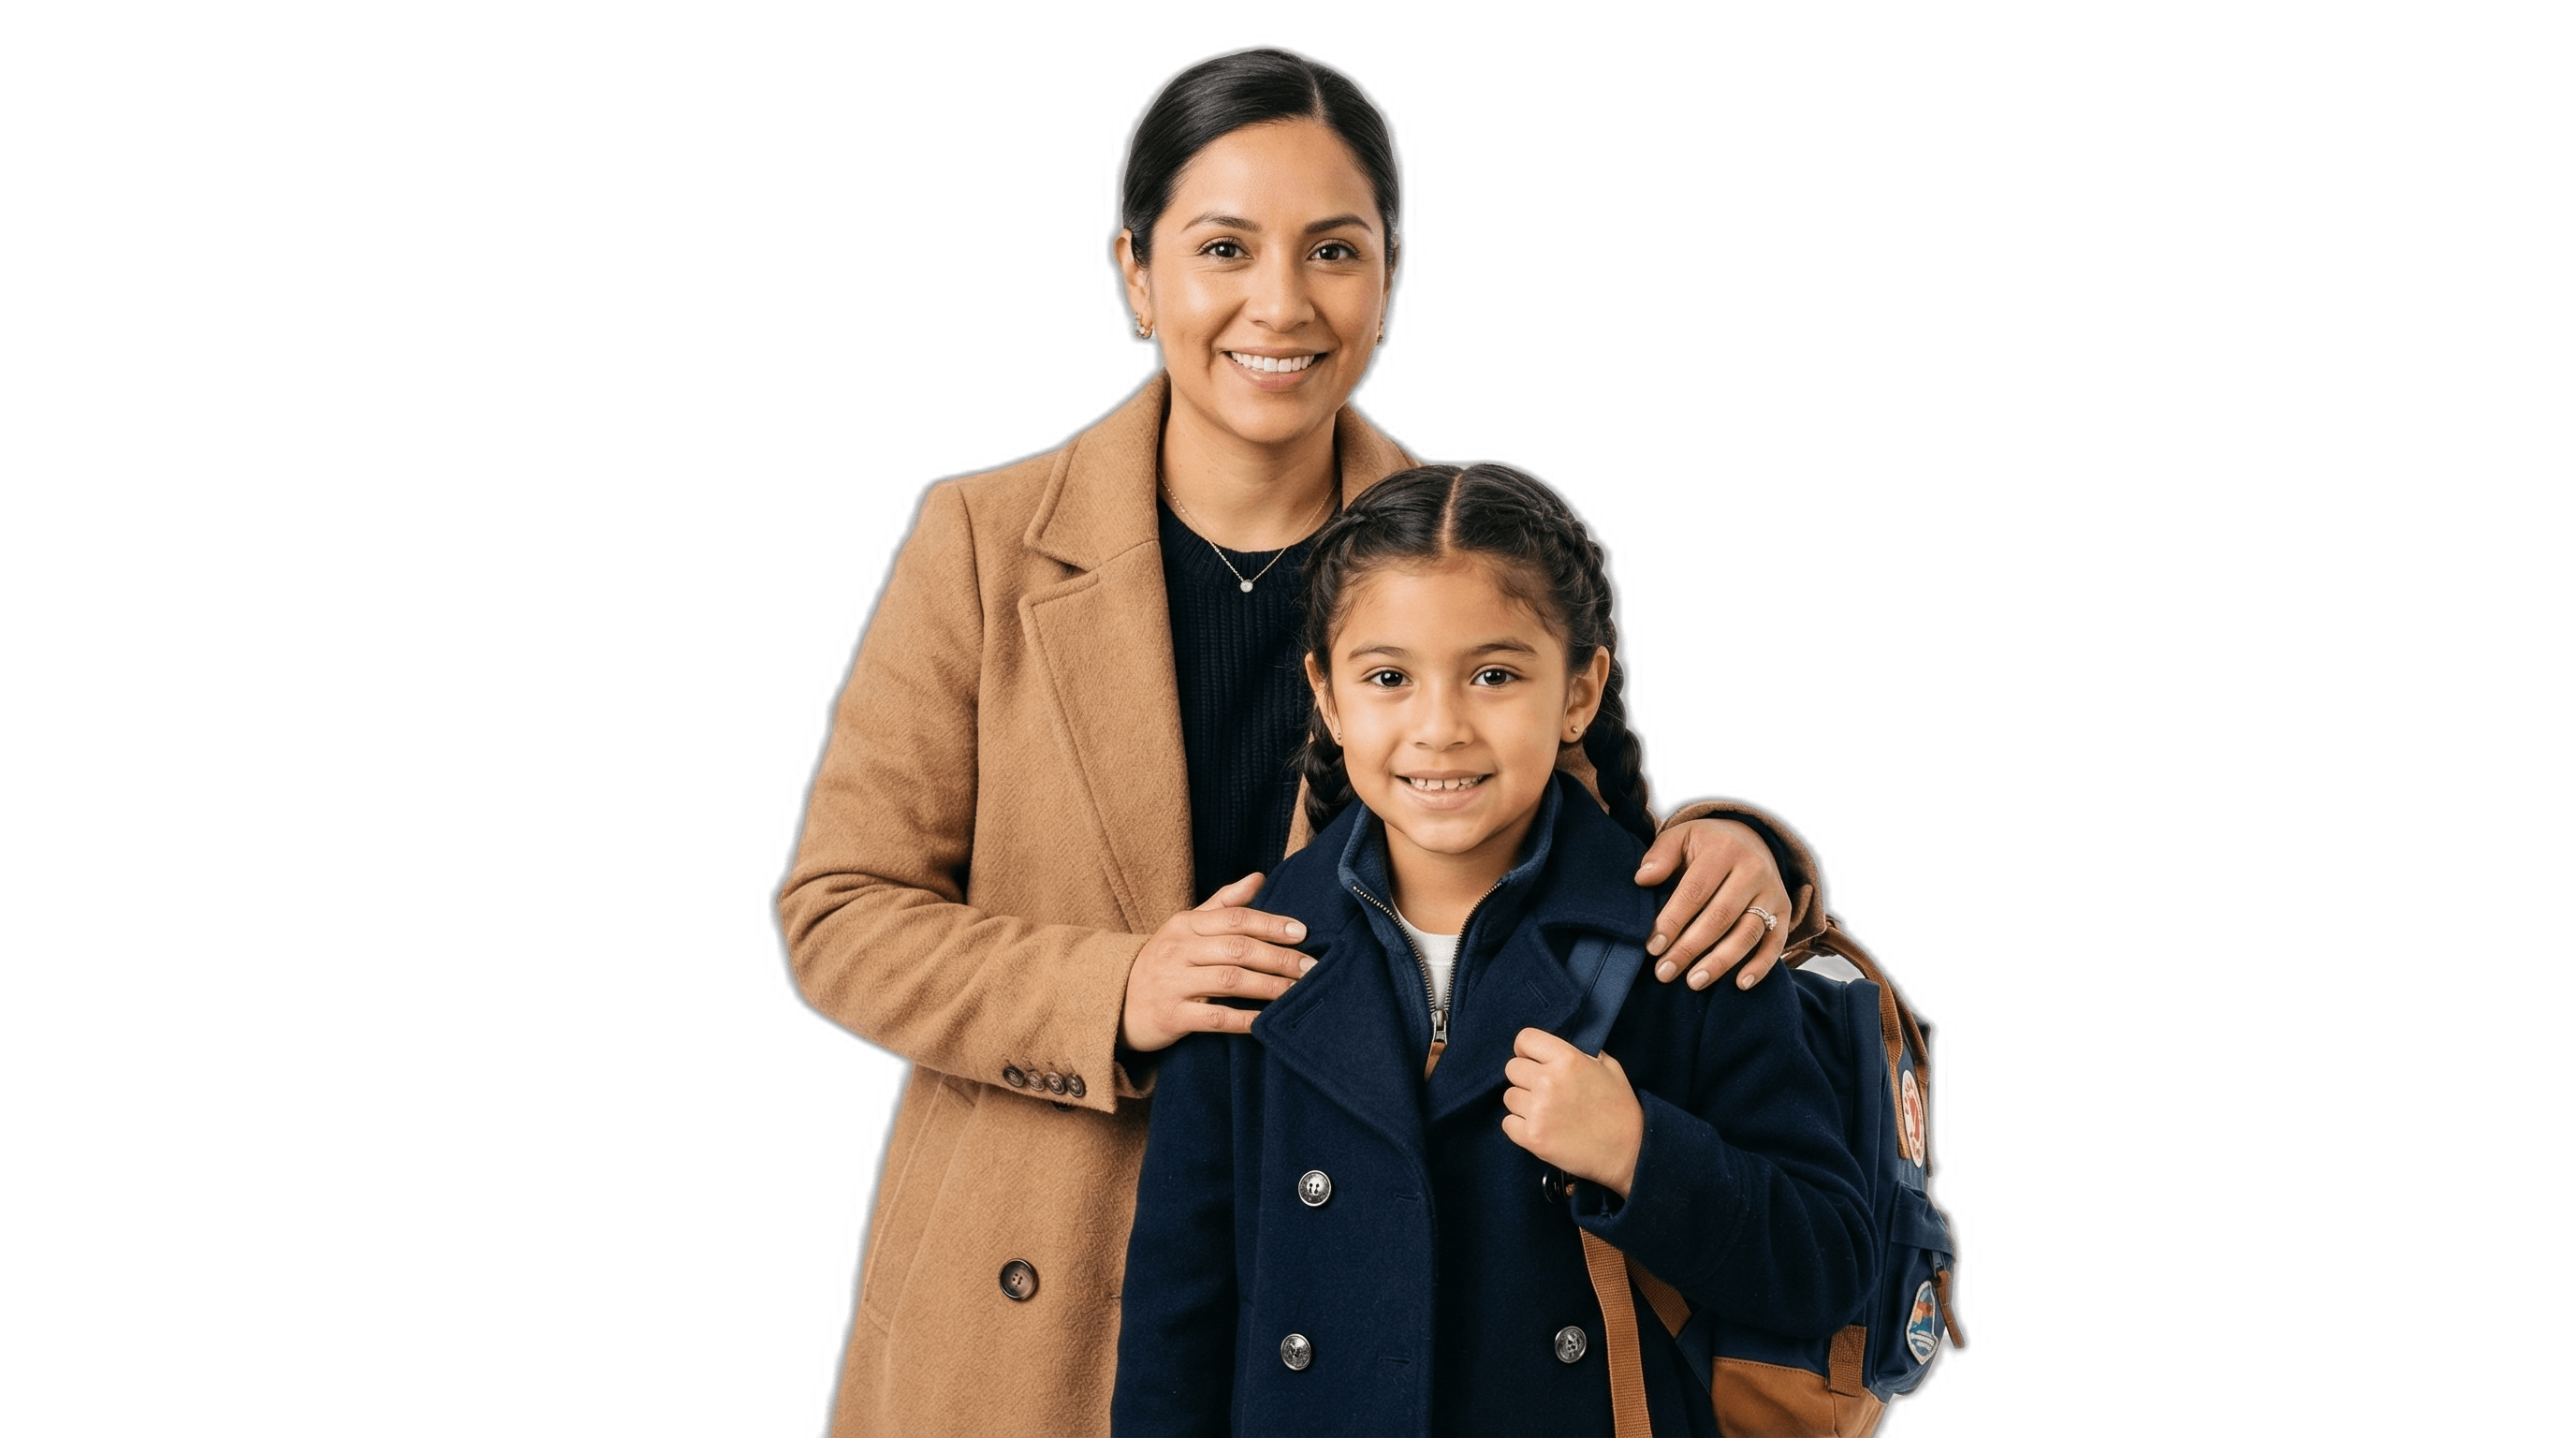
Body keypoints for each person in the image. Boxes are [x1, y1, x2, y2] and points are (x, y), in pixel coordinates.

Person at [773, 43, 1835, 1437]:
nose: (1280, 303)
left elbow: (1594, 857)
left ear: (1393, 272)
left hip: (1366, 1294)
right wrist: (1117, 991)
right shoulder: (978, 542)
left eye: (1335, 250)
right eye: (1224, 248)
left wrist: (1750, 843)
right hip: (1019, 1283)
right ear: (1135, 269)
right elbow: (837, 917)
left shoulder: (1465, 551)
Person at [1110, 462, 1873, 1436]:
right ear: (1329, 700)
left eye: (1495, 675)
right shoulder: (1248, 957)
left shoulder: (1684, 940)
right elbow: (1176, 1323)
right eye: (1388, 678)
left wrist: (1641, 1153)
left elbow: (1829, 1263)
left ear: (1579, 692)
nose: (1439, 727)